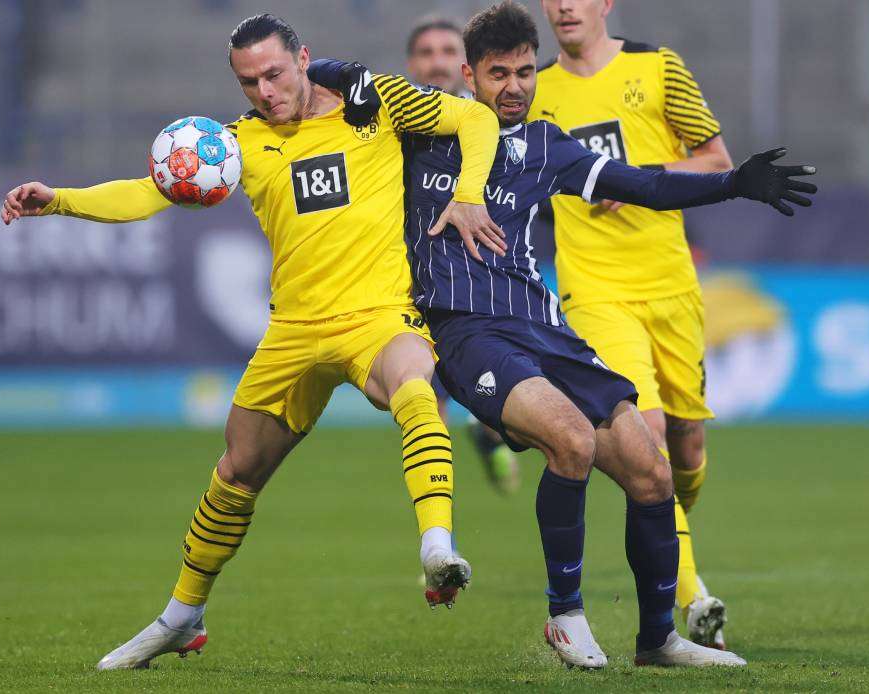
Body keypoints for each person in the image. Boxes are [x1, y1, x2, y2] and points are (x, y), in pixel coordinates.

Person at [309, 0, 813, 669]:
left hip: (543, 328)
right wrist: (306, 65)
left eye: (524, 71)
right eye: (498, 74)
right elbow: (351, 80)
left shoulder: (548, 145)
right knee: (571, 441)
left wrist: (733, 183)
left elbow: (644, 185)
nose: (514, 86)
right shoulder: (423, 133)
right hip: (464, 332)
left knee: (653, 473)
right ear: (468, 74)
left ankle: (658, 639)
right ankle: (565, 615)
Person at [0, 13, 504, 670]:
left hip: (376, 315)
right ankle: (181, 615)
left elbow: (476, 120)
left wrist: (468, 196)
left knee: (415, 383)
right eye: (249, 82)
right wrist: (59, 200)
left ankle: (438, 546)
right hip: (293, 332)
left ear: (303, 59)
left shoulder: (375, 101)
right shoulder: (235, 145)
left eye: (273, 74)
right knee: (236, 473)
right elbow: (146, 195)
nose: (265, 92)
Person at [530, 0, 779, 648]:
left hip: (670, 284)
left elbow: (713, 157)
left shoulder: (659, 68)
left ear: (604, 3)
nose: (562, 7)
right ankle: (694, 601)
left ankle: (665, 538)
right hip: (594, 290)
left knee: (687, 449)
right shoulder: (535, 91)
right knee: (650, 430)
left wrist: (637, 179)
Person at [405, 14, 521, 494]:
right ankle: (439, 544)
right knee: (424, 415)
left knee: (496, 411)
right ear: (411, 63)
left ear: (467, 65)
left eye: (448, 51)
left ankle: (489, 437)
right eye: (427, 52)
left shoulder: (494, 124)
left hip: (479, 285)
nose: (437, 62)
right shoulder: (393, 125)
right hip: (410, 287)